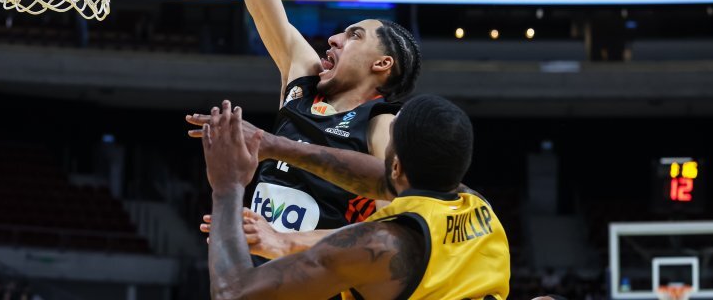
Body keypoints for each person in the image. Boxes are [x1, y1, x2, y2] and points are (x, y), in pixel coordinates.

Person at [187, 0, 421, 241]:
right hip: (259, 277)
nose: (334, 40)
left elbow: (392, 232)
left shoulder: (382, 122)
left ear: (383, 63)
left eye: (354, 36)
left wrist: (284, 242)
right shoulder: (303, 80)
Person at [200, 96, 510, 300]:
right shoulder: (480, 208)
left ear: (398, 165)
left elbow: (233, 292)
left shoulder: (382, 245)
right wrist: (276, 146)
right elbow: (382, 179)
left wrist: (227, 186)